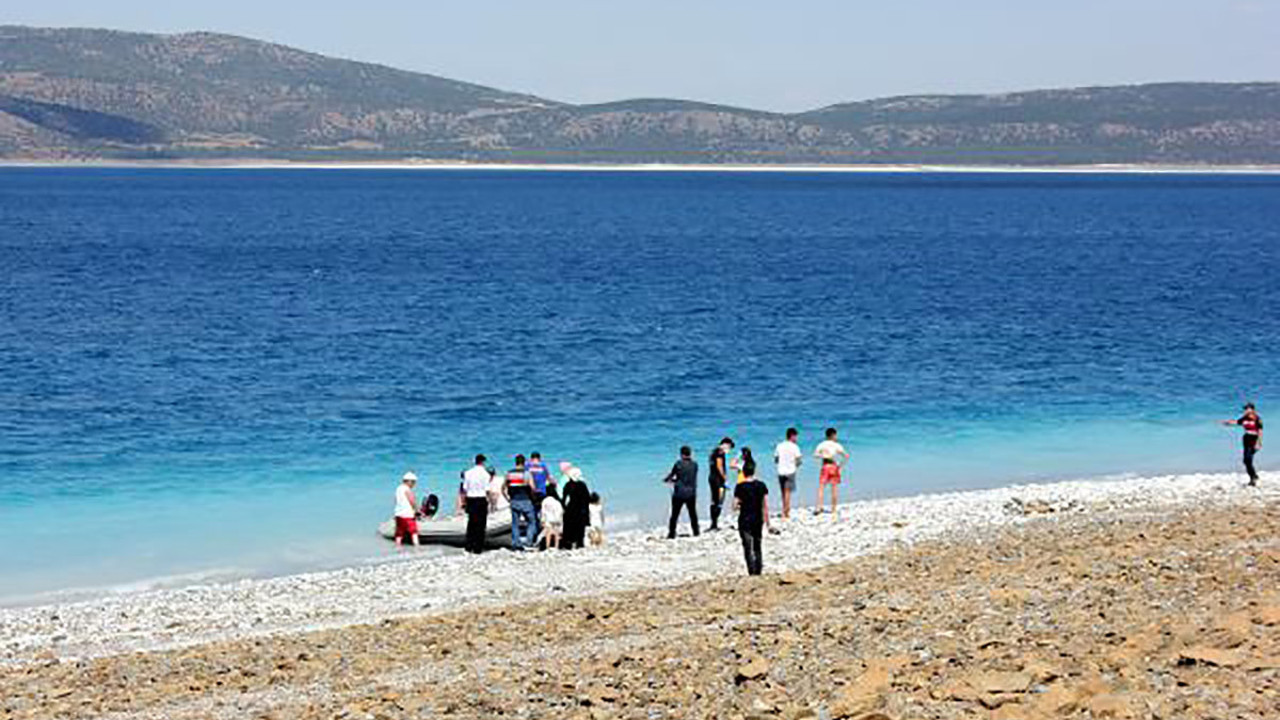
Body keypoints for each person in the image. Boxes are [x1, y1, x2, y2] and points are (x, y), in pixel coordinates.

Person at [732, 449, 770, 576]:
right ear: (754, 470)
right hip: (758, 518)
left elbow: (734, 505)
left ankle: (751, 571)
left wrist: (739, 505)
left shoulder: (740, 486)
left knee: (747, 547)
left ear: (743, 472)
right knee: (757, 546)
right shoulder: (761, 485)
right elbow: (765, 505)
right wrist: (768, 522)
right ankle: (758, 570)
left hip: (745, 519)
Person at [503, 454, 539, 551]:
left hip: (514, 500)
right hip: (525, 500)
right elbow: (533, 488)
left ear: (516, 462)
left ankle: (516, 543)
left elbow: (503, 488)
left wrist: (508, 498)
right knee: (531, 521)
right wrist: (534, 496)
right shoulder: (527, 473)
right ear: (524, 462)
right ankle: (529, 541)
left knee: (515, 523)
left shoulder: (509, 473)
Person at [663, 445, 700, 539]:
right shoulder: (695, 464)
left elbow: (672, 476)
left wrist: (667, 480)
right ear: (690, 454)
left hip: (679, 493)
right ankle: (696, 532)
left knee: (674, 514)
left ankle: (671, 534)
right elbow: (689, 477)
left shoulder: (678, 464)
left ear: (682, 454)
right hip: (691, 493)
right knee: (693, 513)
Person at [1222, 403, 1264, 486]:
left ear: (1252, 409)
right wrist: (1228, 422)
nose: (1246, 410)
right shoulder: (1244, 418)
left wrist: (1259, 443)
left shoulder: (1257, 419)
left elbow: (1260, 432)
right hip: (1246, 439)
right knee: (1246, 460)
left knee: (1248, 459)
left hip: (1253, 439)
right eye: (1245, 409)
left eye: (1248, 409)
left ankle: (1253, 478)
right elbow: (1237, 422)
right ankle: (1253, 476)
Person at [461, 455, 494, 554]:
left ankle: (468, 546)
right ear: (483, 462)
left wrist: (463, 502)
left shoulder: (468, 473)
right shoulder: (486, 474)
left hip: (471, 499)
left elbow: (465, 489)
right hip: (481, 499)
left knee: (471, 523)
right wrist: (491, 502)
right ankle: (478, 547)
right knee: (481, 524)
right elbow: (487, 490)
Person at [813, 428, 849, 518]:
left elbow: (815, 455)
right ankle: (833, 509)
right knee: (834, 489)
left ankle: (819, 507)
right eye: (835, 435)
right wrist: (840, 466)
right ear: (833, 435)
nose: (836, 437)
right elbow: (846, 456)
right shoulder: (836, 445)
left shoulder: (822, 444)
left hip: (825, 466)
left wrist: (824, 456)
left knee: (821, 487)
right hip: (833, 466)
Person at [774, 428, 803, 520]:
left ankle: (784, 509)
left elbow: (776, 459)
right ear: (792, 436)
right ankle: (786, 512)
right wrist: (796, 465)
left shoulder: (779, 445)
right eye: (796, 436)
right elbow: (799, 460)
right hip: (790, 471)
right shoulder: (795, 447)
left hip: (780, 471)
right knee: (787, 492)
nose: (796, 439)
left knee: (783, 492)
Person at [560, 465, 591, 549]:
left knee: (568, 527)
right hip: (581, 510)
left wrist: (563, 508)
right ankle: (579, 543)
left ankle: (567, 543)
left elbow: (564, 498)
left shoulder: (568, 485)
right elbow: (587, 498)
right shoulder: (582, 485)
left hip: (570, 509)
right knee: (580, 527)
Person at [708, 437, 735, 531]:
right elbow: (719, 466)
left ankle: (713, 523)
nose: (729, 450)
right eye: (729, 447)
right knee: (719, 501)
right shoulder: (720, 452)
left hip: (712, 478)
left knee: (714, 500)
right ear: (725, 444)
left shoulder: (713, 451)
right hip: (718, 480)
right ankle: (714, 523)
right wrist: (724, 478)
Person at [393, 471, 420, 548]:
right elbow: (412, 500)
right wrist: (417, 510)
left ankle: (397, 545)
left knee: (399, 532)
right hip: (407, 514)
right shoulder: (407, 489)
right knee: (413, 531)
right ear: (409, 482)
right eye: (414, 483)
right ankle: (416, 545)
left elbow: (396, 500)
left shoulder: (398, 488)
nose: (414, 485)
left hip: (398, 514)